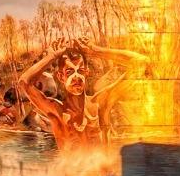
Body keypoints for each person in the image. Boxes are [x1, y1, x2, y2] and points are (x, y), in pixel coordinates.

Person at [17, 35, 147, 152]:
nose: (76, 76)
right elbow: (24, 83)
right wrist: (51, 57)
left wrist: (96, 51)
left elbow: (142, 63)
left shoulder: (100, 104)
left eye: (80, 70)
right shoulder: (57, 112)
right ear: (61, 77)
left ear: (87, 73)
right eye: (69, 72)